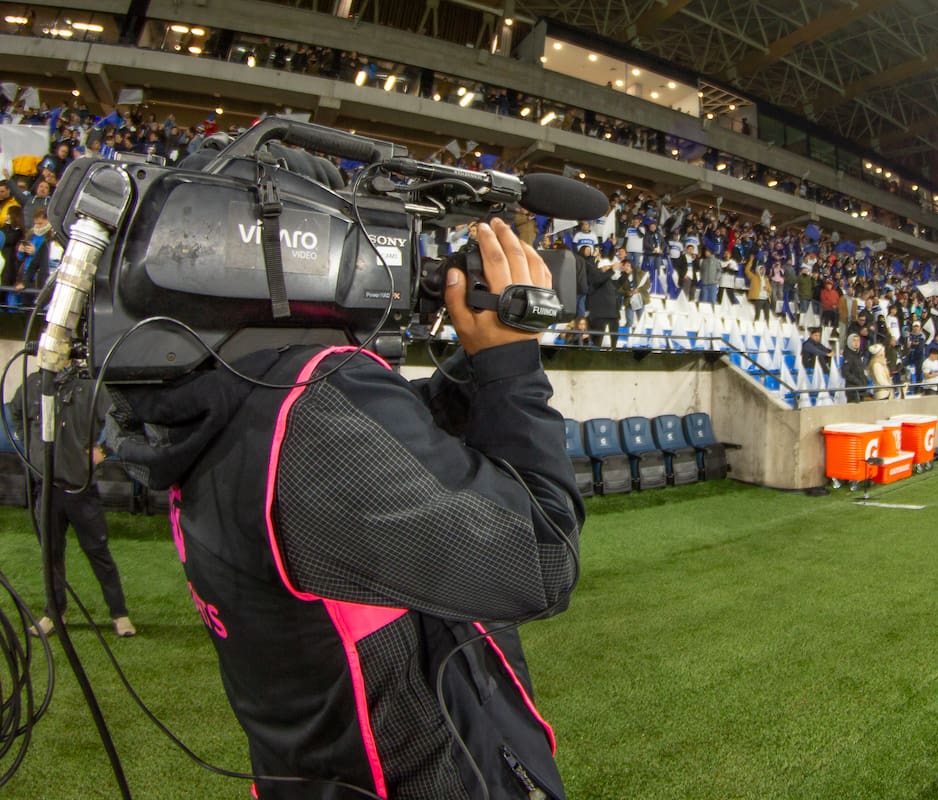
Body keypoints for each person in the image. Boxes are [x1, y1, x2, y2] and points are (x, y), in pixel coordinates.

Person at [106, 219, 583, 799]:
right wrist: (514, 369)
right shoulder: (312, 407)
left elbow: (407, 446)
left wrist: (480, 353)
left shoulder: (242, 394)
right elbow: (542, 560)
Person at [10, 363, 136, 638]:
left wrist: (105, 448)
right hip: (46, 488)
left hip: (81, 490)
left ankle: (119, 614)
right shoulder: (33, 384)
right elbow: (16, 412)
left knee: (98, 553)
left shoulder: (91, 387)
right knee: (50, 555)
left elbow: (126, 416)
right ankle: (54, 614)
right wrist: (28, 442)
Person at [841, 333, 869, 403]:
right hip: (853, 390)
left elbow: (860, 370)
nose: (856, 343)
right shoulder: (848, 355)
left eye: (858, 341)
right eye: (854, 340)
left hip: (861, 388)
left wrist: (865, 380)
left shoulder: (858, 354)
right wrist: (857, 382)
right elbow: (845, 373)